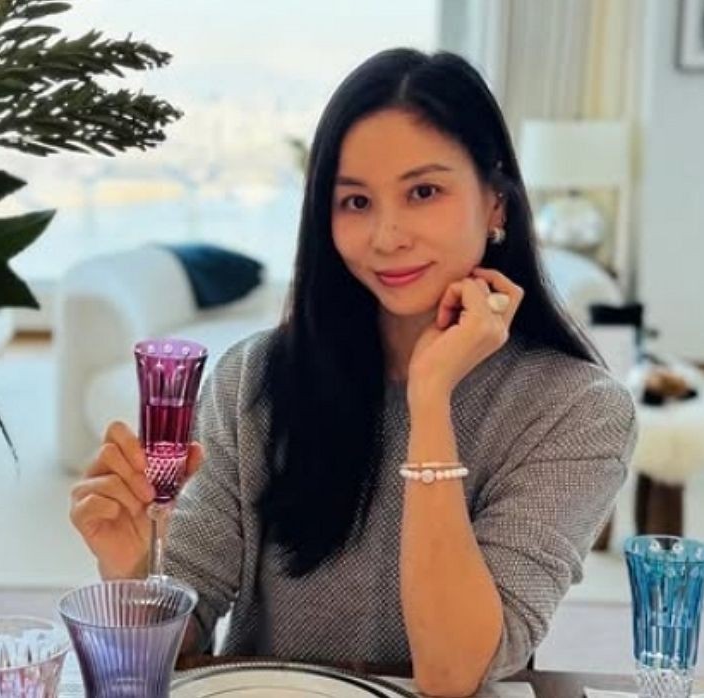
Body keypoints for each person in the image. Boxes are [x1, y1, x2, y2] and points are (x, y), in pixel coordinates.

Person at [69, 48, 636, 697]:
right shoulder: (253, 378)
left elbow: (455, 673)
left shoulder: (577, 409)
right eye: (356, 201)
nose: (386, 236)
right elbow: (181, 644)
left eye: (424, 192)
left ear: (496, 204)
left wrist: (430, 398)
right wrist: (131, 570)